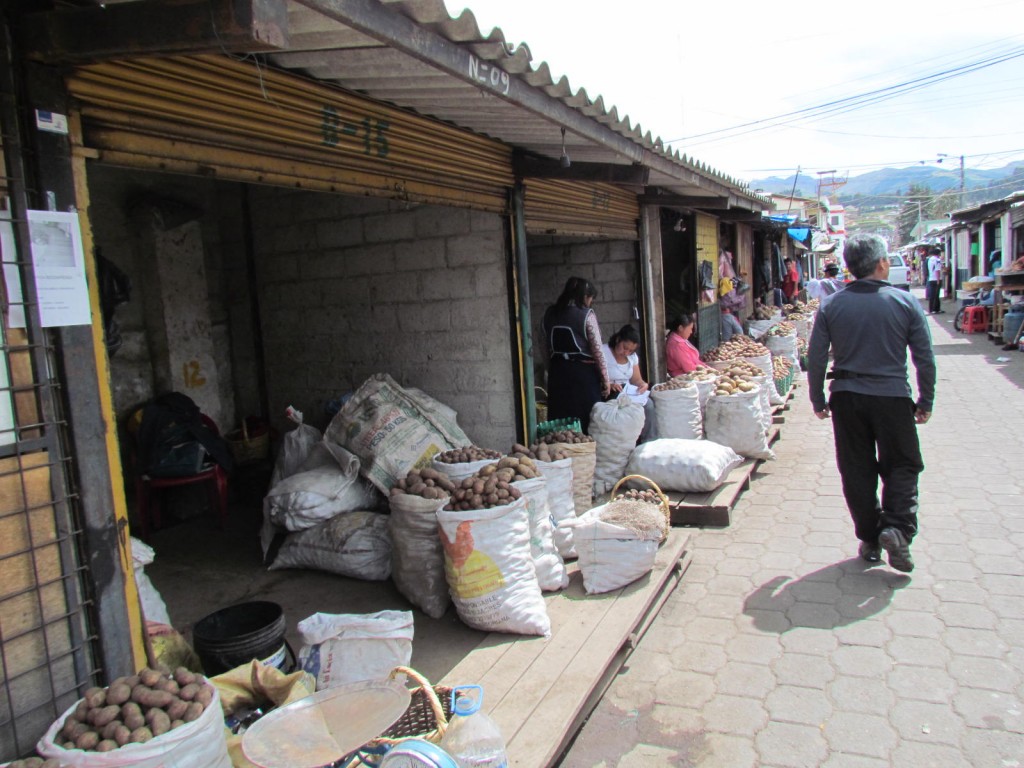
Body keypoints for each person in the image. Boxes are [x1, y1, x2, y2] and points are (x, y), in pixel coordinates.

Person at [807, 233, 936, 573]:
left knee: (856, 470)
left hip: (847, 399)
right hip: (892, 398)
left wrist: (817, 397)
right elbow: (924, 358)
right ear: (881, 264)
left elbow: (816, 356)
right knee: (903, 465)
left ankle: (870, 536)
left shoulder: (832, 305)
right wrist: (926, 399)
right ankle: (896, 527)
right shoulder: (905, 302)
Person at [542, 277, 610, 434]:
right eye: (591, 298)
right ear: (586, 296)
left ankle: (561, 453)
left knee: (560, 422)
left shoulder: (549, 314)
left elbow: (543, 346)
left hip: (558, 373)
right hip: (583, 375)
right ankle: (583, 453)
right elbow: (597, 351)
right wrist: (605, 379)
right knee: (586, 420)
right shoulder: (587, 316)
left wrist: (552, 369)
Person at [600, 325, 649, 395]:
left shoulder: (632, 357)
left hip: (628, 392)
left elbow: (637, 380)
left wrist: (643, 384)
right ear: (618, 339)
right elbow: (593, 380)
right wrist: (609, 385)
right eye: (625, 348)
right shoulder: (602, 352)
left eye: (630, 351)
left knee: (649, 403)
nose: (626, 353)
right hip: (610, 394)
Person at [665, 314, 709, 378]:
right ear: (680, 328)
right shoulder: (676, 345)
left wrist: (706, 367)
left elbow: (694, 362)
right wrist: (707, 371)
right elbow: (689, 368)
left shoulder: (680, 340)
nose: (691, 332)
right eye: (690, 328)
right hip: (684, 378)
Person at [926, 246, 944, 314]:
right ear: (938, 253)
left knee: (932, 295)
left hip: (931, 278)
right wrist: (938, 279)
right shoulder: (937, 260)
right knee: (936, 295)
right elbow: (937, 270)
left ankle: (932, 309)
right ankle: (936, 309)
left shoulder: (930, 259)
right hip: (936, 279)